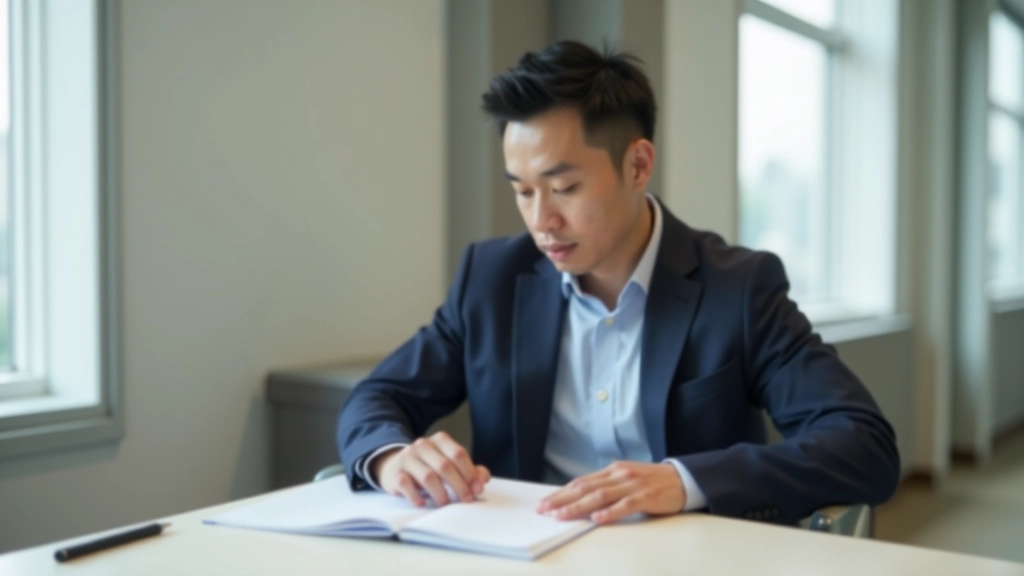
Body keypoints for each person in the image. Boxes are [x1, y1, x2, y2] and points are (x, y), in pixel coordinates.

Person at [336, 40, 900, 526]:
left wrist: (682, 481)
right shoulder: (490, 279)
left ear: (637, 165)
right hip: (525, 553)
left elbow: (863, 444)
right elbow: (379, 396)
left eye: (564, 188)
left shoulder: (739, 288)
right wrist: (391, 457)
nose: (541, 222)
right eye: (523, 190)